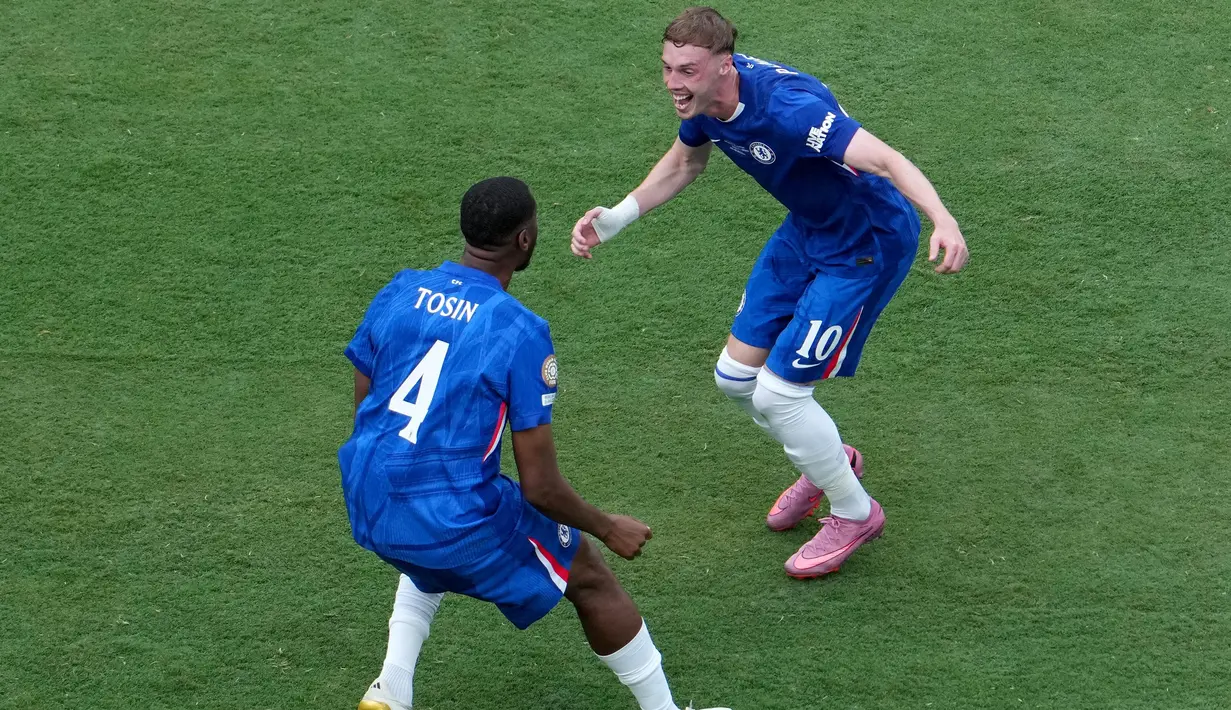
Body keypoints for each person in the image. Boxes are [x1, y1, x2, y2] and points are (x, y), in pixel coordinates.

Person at [569, 7, 969, 579]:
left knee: (780, 395)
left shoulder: (789, 111)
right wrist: (613, 220)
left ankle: (855, 511)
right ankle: (831, 461)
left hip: (864, 244)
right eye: (666, 68)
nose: (673, 84)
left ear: (723, 66)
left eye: (686, 70)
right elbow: (685, 163)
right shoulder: (707, 103)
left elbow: (884, 159)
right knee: (734, 380)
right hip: (806, 230)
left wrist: (943, 220)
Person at [339, 177, 728, 710]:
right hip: (446, 520)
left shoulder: (401, 289)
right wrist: (608, 526)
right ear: (524, 240)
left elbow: (366, 404)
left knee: (428, 534)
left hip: (368, 497)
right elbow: (541, 489)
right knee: (586, 572)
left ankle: (391, 689)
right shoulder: (518, 330)